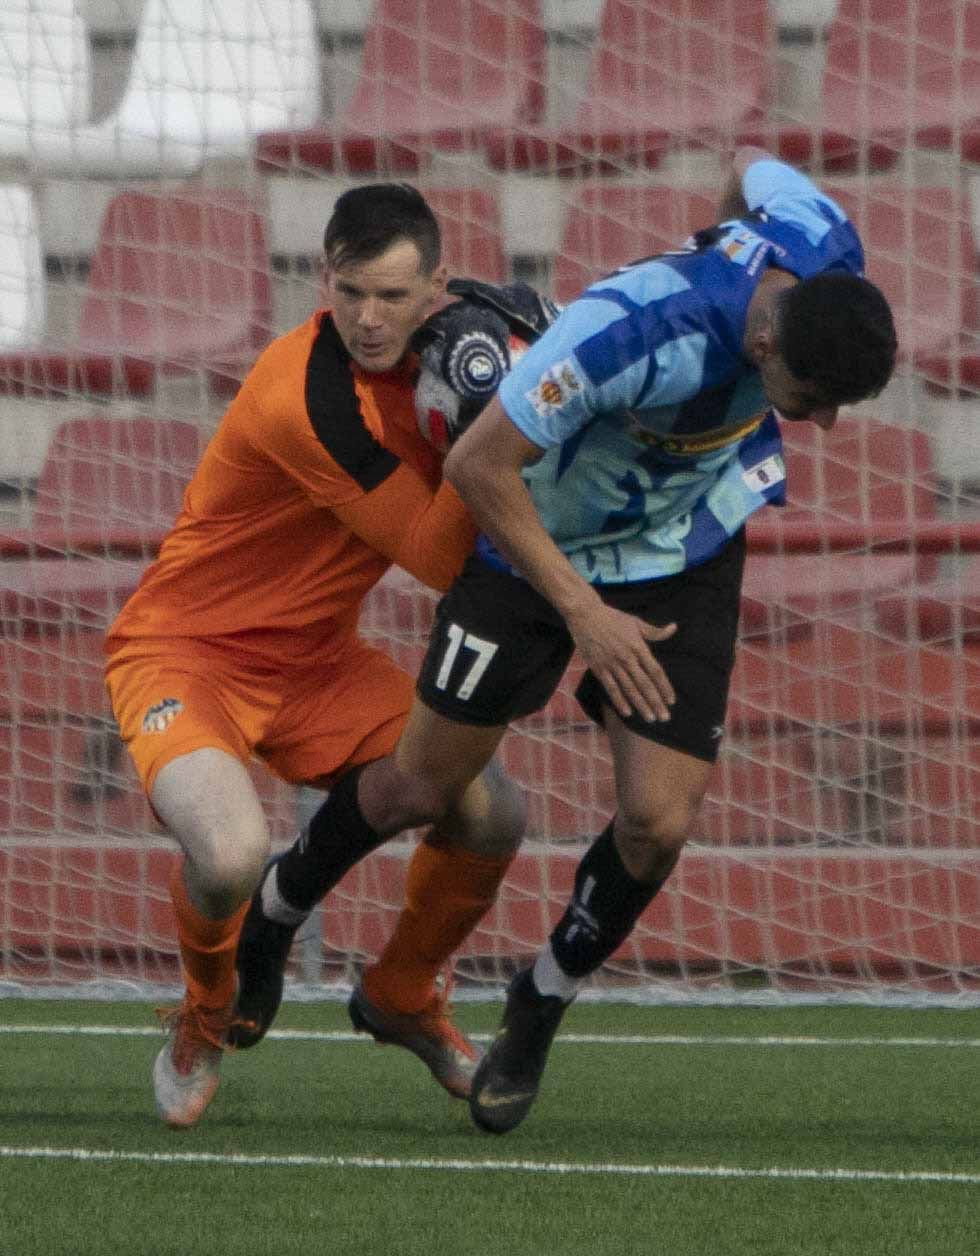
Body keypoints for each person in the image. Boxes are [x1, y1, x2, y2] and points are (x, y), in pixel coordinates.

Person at [234, 148, 898, 1134]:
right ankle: (272, 916)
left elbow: (747, 165)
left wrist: (714, 225)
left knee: (656, 822)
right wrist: (582, 611)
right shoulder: (630, 331)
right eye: (809, 398)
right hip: (533, 544)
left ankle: (538, 999)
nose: (825, 422)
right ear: (761, 340)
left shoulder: (820, 247)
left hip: (683, 544)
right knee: (419, 786)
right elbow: (475, 466)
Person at [103, 182, 553, 1129]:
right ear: (324, 279)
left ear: (438, 284)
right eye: (350, 292)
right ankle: (204, 1012)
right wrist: (505, 426)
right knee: (230, 855)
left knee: (492, 812)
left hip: (316, 660)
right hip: (185, 652)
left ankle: (401, 994)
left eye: (394, 296)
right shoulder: (301, 396)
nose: (369, 317)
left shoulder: (473, 337)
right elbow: (439, 558)